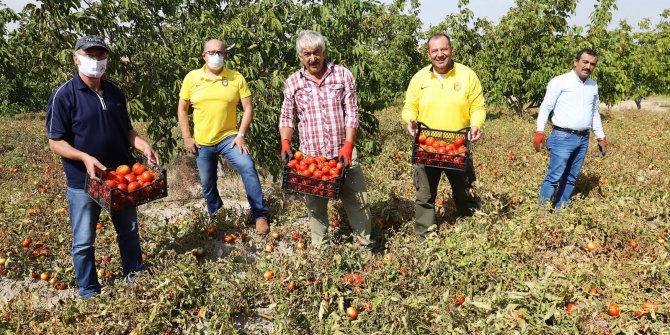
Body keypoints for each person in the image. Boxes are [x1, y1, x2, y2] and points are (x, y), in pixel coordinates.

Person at [46, 35, 159, 298]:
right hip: (84, 182)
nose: (95, 61)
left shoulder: (115, 92)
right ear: (76, 58)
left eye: (100, 56)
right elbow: (55, 142)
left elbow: (126, 131)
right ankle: (88, 291)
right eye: (89, 56)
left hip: (122, 179)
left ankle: (135, 278)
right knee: (84, 242)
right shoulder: (64, 95)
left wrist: (142, 145)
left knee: (129, 233)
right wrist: (85, 158)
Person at [279, 30, 373, 249]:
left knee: (358, 201)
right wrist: (285, 142)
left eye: (317, 52)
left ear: (324, 52)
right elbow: (287, 116)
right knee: (315, 206)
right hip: (311, 157)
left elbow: (351, 112)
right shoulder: (293, 83)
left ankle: (364, 248)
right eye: (307, 53)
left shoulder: (342, 75)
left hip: (342, 152)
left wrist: (348, 145)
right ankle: (320, 250)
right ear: (300, 57)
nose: (313, 58)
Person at [177, 38, 270, 234]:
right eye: (212, 52)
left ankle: (260, 215)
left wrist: (241, 134)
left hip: (230, 137)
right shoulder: (192, 78)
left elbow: (248, 108)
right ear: (204, 56)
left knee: (247, 166)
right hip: (202, 141)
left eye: (220, 52)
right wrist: (187, 137)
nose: (216, 56)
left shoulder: (236, 78)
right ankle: (216, 214)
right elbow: (182, 109)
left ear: (225, 55)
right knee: (207, 182)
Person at [401, 33, 486, 238]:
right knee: (425, 195)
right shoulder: (419, 78)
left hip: (457, 146)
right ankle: (424, 237)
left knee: (464, 191)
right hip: (426, 146)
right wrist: (410, 120)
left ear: (452, 50)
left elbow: (478, 106)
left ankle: (470, 233)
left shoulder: (467, 75)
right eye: (435, 51)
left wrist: (476, 124)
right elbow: (409, 106)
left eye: (444, 49)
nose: (440, 54)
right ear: (429, 54)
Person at [534, 48, 607, 209]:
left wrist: (600, 137)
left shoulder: (592, 85)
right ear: (575, 62)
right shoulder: (560, 81)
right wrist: (540, 131)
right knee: (554, 176)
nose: (588, 66)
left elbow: (594, 113)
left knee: (571, 177)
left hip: (583, 139)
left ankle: (561, 211)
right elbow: (546, 107)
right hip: (562, 137)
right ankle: (541, 213)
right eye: (585, 62)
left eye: (592, 64)